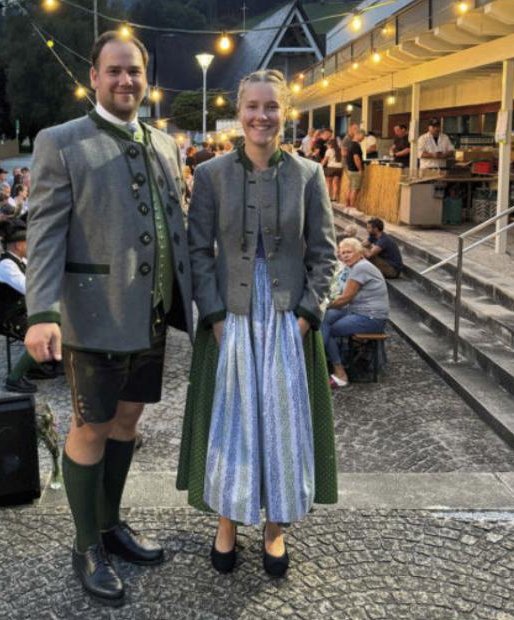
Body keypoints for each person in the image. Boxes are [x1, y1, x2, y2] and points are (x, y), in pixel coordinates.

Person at [24, 30, 192, 607]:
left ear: (147, 80)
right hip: (92, 314)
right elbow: (43, 232)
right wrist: (42, 312)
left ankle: (111, 523)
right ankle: (84, 543)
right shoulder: (61, 141)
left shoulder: (166, 144)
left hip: (149, 312)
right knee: (90, 426)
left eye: (135, 72)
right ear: (93, 77)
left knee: (127, 422)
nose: (125, 81)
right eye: (114, 70)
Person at [176, 69, 337, 579]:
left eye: (271, 106)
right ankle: (227, 520)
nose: (261, 116)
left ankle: (275, 526)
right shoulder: (211, 174)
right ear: (239, 111)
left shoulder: (309, 175)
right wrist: (216, 317)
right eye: (252, 106)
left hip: (288, 318)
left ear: (284, 112)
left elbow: (326, 256)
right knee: (234, 422)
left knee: (283, 424)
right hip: (233, 313)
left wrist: (308, 319)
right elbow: (198, 252)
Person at [0, 219, 59, 393]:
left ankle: (37, 365)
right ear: (19, 244)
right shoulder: (7, 265)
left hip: (23, 311)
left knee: (59, 319)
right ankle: (14, 378)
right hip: (10, 318)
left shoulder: (21, 261)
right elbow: (30, 289)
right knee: (49, 327)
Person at [321, 237, 388, 387]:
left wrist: (322, 306)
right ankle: (324, 363)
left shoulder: (360, 268)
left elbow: (345, 298)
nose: (345, 255)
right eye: (342, 252)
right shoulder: (355, 267)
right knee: (326, 319)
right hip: (359, 312)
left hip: (371, 318)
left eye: (349, 252)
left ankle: (339, 373)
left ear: (359, 252)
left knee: (327, 328)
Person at [345, 129, 364, 207]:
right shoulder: (356, 145)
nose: (363, 138)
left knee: (350, 188)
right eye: (363, 136)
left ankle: (348, 206)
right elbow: (356, 158)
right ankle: (352, 207)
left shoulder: (350, 144)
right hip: (355, 170)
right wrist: (360, 169)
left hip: (350, 169)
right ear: (359, 135)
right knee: (355, 189)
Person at [321, 136, 343, 201]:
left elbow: (325, 160)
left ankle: (328, 197)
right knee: (336, 183)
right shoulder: (340, 150)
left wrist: (320, 166)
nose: (327, 146)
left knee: (328, 183)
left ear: (330, 144)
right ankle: (334, 197)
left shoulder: (329, 150)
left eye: (328, 144)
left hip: (331, 168)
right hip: (339, 168)